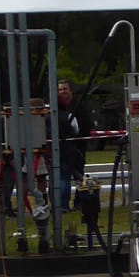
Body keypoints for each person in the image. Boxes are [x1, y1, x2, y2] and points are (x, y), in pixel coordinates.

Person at [54, 80, 87, 213]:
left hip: (77, 148)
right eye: (60, 89)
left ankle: (79, 202)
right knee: (63, 177)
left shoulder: (80, 107)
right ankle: (62, 205)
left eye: (65, 89)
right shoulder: (56, 111)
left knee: (78, 175)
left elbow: (85, 127)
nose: (62, 92)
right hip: (63, 149)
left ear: (71, 91)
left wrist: (78, 143)